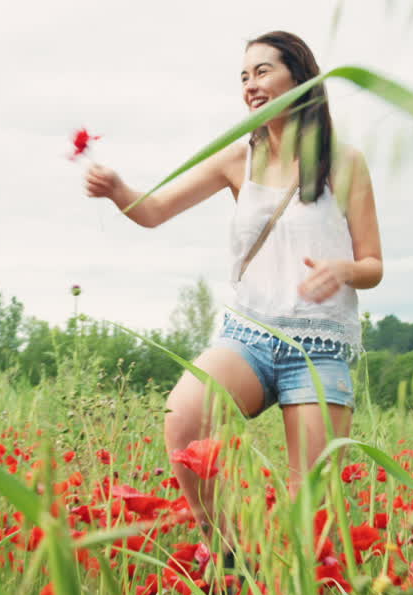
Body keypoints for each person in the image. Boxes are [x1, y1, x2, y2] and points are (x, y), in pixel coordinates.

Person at [83, 31, 383, 547]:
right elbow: (153, 211)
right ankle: (226, 551)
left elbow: (373, 264)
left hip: (319, 347)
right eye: (244, 77)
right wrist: (118, 191)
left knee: (306, 510)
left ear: (300, 77)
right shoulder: (235, 159)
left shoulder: (345, 162)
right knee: (183, 418)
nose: (251, 85)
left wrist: (343, 270)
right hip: (250, 336)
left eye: (263, 71)